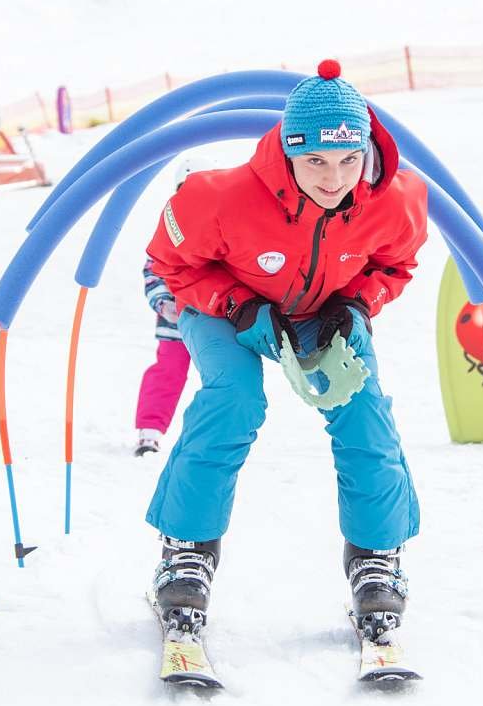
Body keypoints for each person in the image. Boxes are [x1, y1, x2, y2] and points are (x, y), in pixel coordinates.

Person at [143, 60, 428, 643]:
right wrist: (237, 305)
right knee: (235, 398)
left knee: (363, 408)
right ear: (288, 153)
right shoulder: (219, 198)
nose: (334, 178)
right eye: (316, 161)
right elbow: (171, 266)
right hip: (228, 308)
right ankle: (187, 551)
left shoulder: (396, 200)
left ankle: (376, 556)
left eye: (349, 160)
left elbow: (394, 266)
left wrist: (357, 305)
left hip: (323, 313)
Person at [133, 159, 213, 457]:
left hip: (213, 322)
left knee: (222, 379)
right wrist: (163, 302)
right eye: (186, 191)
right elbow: (153, 270)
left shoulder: (223, 223)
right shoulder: (169, 228)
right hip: (176, 321)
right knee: (168, 372)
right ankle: (149, 431)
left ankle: (209, 437)